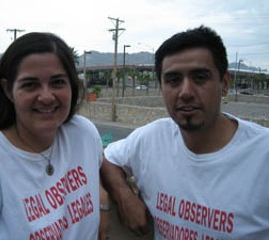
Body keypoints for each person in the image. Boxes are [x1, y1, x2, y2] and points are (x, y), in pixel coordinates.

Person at [101, 26, 269, 239]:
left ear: (224, 84)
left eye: (200, 78)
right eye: (173, 80)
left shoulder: (263, 154)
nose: (186, 92)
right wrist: (123, 195)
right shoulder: (151, 138)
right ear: (161, 87)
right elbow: (106, 158)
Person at [0, 32, 109, 239]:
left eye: (58, 82)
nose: (46, 96)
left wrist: (104, 200)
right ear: (8, 90)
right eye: (30, 85)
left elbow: (95, 168)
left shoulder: (84, 133)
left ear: (72, 86)